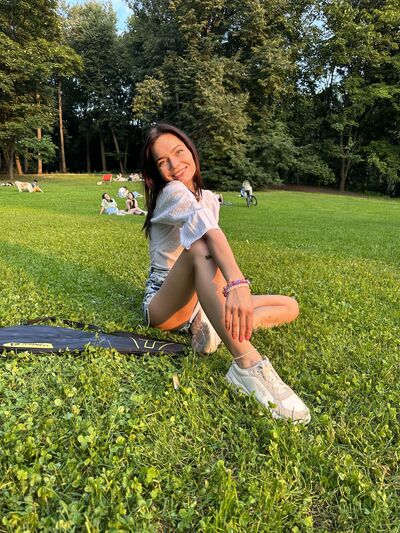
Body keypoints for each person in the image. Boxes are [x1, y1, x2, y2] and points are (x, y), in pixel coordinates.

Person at [140, 123, 311, 423]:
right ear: (156, 172)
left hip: (199, 300)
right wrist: (237, 284)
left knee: (290, 306)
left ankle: (212, 327)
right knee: (200, 247)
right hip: (165, 303)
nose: (175, 165)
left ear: (191, 151)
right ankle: (247, 365)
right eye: (163, 161)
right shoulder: (171, 193)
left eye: (179, 152)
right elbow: (207, 236)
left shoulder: (207, 196)